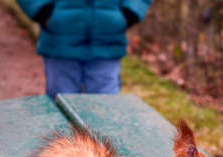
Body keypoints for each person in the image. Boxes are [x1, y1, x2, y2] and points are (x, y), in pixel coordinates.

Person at [16, 1, 152, 99]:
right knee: (61, 108)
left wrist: (129, 14)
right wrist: (43, 11)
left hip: (107, 41)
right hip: (60, 40)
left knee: (106, 108)